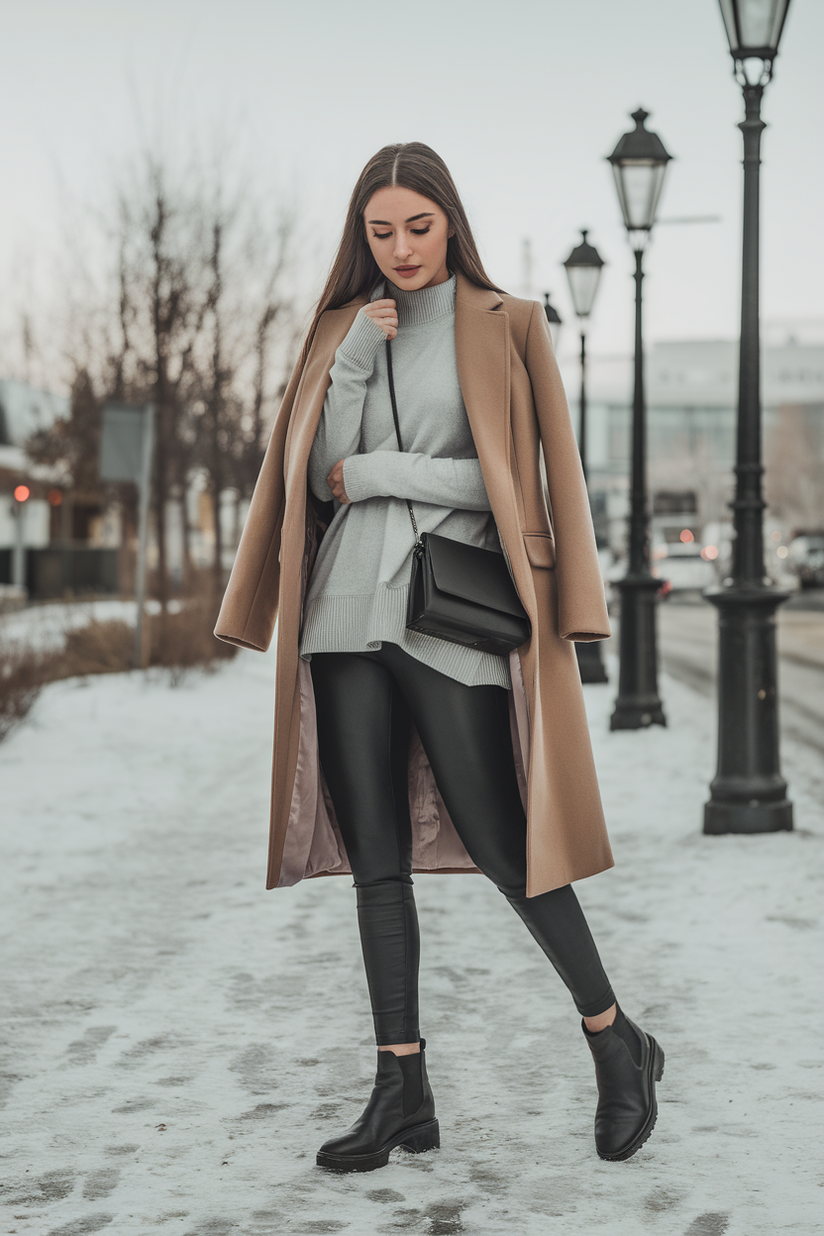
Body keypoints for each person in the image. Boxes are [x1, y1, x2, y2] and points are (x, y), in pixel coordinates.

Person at [215, 142, 664, 1172]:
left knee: (506, 844)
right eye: (381, 231)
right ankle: (400, 1090)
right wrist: (357, 368)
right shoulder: (341, 328)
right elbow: (316, 482)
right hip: (338, 619)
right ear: (359, 235)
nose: (401, 248)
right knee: (376, 864)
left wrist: (379, 468)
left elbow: (511, 485)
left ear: (449, 222)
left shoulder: (504, 326)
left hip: (445, 616)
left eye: (418, 226)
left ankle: (615, 1041)